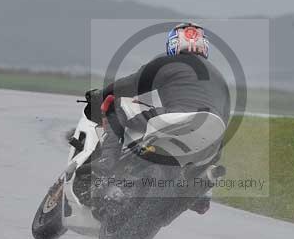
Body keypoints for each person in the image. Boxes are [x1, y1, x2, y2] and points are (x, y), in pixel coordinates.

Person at [85, 21, 231, 184]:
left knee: (118, 107)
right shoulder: (221, 79)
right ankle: (197, 189)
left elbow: (129, 86)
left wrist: (100, 95)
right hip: (212, 135)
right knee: (203, 171)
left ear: (173, 43)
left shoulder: (168, 62)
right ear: (204, 45)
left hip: (177, 118)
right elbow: (225, 118)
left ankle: (106, 163)